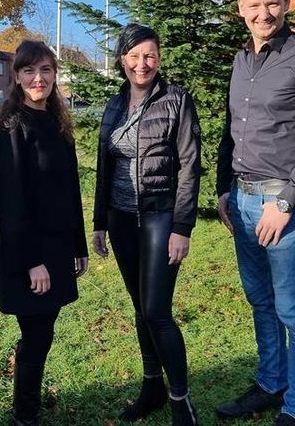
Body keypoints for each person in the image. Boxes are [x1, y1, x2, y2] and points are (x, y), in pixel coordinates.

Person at [214, 0, 295, 426]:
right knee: (260, 301)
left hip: (283, 204)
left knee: (293, 310)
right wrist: (223, 190)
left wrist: (286, 201)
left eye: (272, 4)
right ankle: (271, 382)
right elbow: (232, 132)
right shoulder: (241, 61)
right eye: (254, 5)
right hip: (242, 201)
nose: (263, 13)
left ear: (285, 4)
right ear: (240, 10)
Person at [92, 24, 202, 426]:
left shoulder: (176, 101)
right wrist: (100, 222)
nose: (143, 64)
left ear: (159, 59)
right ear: (123, 60)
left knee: (157, 310)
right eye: (135, 56)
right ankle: (152, 386)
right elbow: (105, 165)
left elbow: (190, 166)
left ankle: (180, 401)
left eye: (150, 55)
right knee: (140, 308)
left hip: (159, 216)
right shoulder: (114, 105)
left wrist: (182, 227)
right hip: (121, 221)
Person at [0, 40, 89, 426]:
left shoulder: (59, 123)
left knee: (42, 331)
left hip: (60, 246)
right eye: (29, 70)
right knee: (37, 333)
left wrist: (78, 245)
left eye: (45, 69)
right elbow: (11, 202)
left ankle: (25, 403)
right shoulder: (10, 128)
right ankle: (24, 415)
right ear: (15, 76)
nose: (38, 78)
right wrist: (33, 262)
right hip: (29, 252)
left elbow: (70, 191)